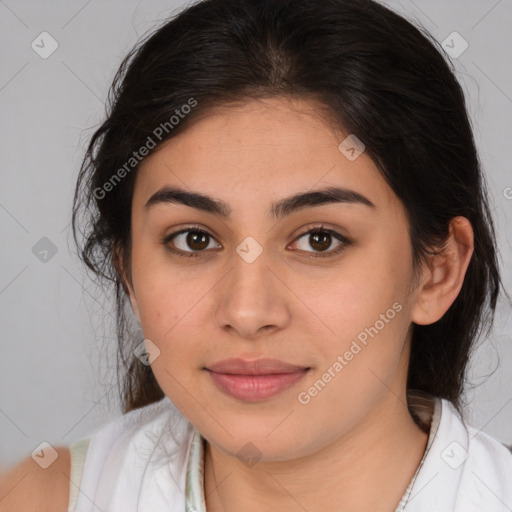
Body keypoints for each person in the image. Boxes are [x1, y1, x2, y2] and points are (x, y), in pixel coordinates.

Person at [1, 0, 511, 511]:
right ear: (128, 273)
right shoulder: (38, 498)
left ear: (437, 274)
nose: (246, 312)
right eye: (194, 239)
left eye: (319, 240)